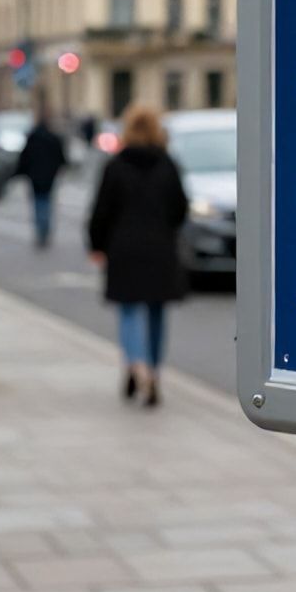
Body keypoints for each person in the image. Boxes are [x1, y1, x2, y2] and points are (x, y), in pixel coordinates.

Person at [87, 104, 188, 407]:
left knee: (130, 311)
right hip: (159, 248)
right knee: (157, 313)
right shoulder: (168, 164)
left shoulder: (115, 165)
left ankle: (136, 364)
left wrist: (97, 245)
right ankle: (154, 371)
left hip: (124, 248)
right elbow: (180, 209)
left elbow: (101, 211)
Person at [14, 104, 68, 249]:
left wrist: (20, 172)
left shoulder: (33, 138)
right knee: (47, 203)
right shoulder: (53, 138)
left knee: (38, 204)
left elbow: (24, 158)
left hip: (35, 177)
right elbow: (61, 158)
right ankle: (45, 229)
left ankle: (40, 230)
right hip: (49, 177)